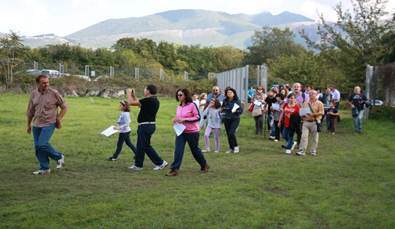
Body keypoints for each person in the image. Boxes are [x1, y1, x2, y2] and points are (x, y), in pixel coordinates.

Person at [27, 75, 67, 175]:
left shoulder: (54, 93)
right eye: (44, 83)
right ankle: (44, 168)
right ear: (38, 83)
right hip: (36, 124)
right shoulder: (34, 94)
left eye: (47, 82)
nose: (46, 84)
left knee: (42, 144)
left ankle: (59, 156)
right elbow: (30, 111)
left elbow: (64, 107)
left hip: (49, 123)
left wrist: (58, 118)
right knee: (38, 147)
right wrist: (28, 124)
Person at [166, 89, 209, 176]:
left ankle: (204, 165)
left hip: (192, 132)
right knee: (178, 150)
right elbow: (179, 117)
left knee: (195, 150)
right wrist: (175, 120)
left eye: (181, 95)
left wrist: (185, 119)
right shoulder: (178, 107)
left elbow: (197, 117)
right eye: (178, 95)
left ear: (185, 95)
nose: (179, 96)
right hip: (181, 132)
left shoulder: (192, 105)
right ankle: (174, 169)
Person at [127, 85, 168, 171]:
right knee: (142, 146)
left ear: (148, 91)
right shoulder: (154, 100)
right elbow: (138, 103)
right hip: (149, 125)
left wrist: (128, 92)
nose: (144, 90)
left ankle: (160, 162)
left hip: (145, 126)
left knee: (144, 146)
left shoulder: (148, 100)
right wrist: (133, 95)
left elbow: (130, 102)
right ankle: (139, 165)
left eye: (145, 89)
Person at [296, 90, 324, 156]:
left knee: (314, 138)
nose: (311, 95)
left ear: (316, 94)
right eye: (310, 94)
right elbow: (301, 112)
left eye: (313, 94)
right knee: (304, 137)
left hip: (315, 122)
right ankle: (302, 151)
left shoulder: (319, 103)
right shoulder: (305, 103)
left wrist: (313, 114)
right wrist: (302, 115)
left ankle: (313, 151)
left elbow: (322, 112)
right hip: (306, 122)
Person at [221, 87, 243, 153]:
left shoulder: (237, 100)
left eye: (230, 92)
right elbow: (222, 109)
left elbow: (241, 110)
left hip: (235, 119)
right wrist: (223, 109)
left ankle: (236, 146)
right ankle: (231, 148)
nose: (229, 93)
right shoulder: (225, 100)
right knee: (228, 134)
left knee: (231, 133)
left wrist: (236, 111)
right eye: (228, 92)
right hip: (226, 118)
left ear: (234, 93)